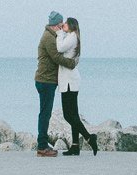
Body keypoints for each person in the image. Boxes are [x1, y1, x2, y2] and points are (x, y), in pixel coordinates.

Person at [34, 10, 78, 156]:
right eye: (60, 24)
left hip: (47, 81)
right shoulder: (49, 38)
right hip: (45, 81)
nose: (62, 26)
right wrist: (72, 63)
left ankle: (43, 144)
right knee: (45, 114)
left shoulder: (52, 36)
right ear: (55, 25)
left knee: (45, 113)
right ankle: (42, 147)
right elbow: (56, 57)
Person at [57, 16, 97, 156]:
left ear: (72, 25)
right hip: (70, 80)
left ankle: (89, 137)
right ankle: (75, 145)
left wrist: (59, 32)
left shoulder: (71, 37)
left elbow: (59, 48)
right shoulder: (73, 37)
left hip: (69, 81)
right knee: (73, 114)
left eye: (66, 23)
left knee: (68, 115)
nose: (64, 25)